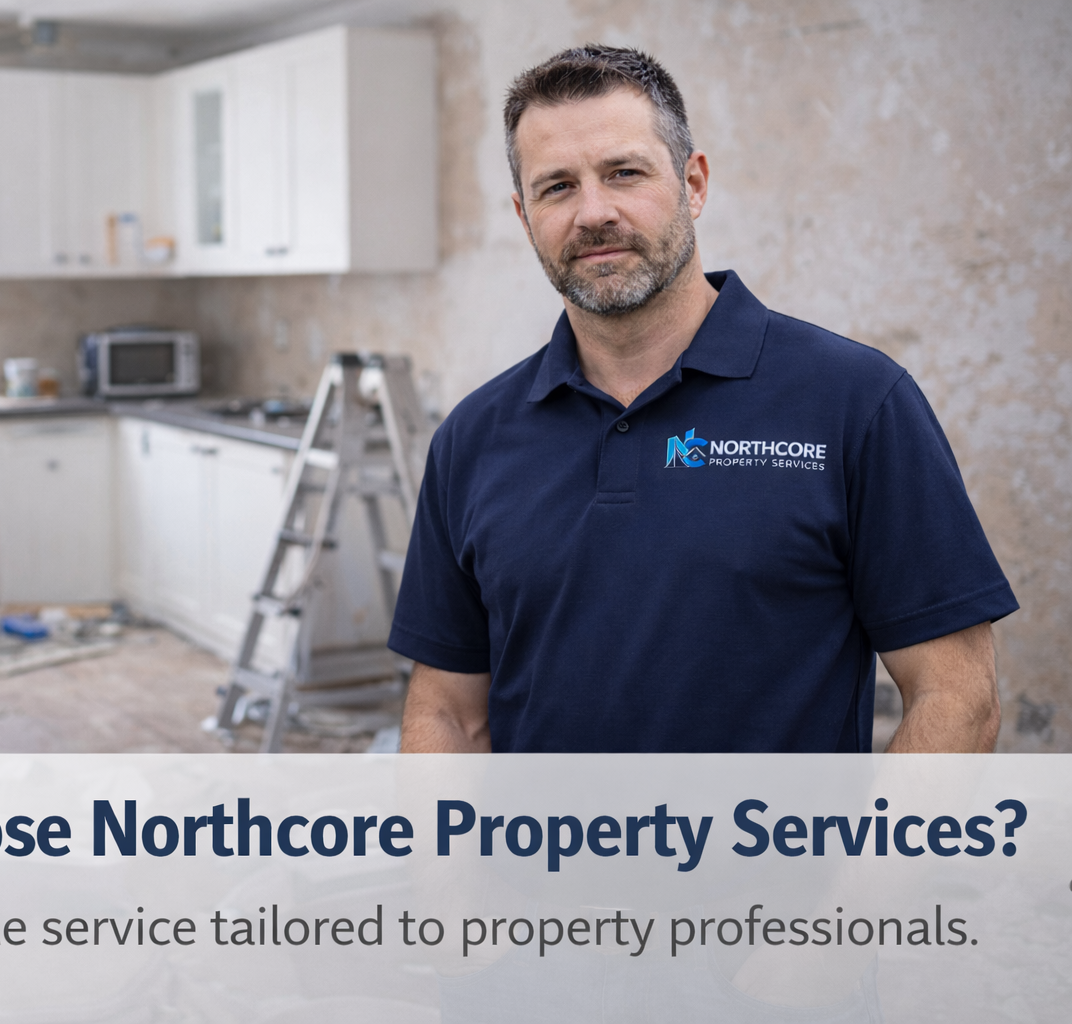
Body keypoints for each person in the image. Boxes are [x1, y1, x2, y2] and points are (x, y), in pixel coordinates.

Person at [389, 45, 1018, 754]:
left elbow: (957, 696)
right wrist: (454, 866)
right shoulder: (472, 439)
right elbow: (445, 711)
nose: (594, 212)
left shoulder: (857, 403)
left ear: (693, 183)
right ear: (524, 213)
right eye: (557, 187)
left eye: (624, 173)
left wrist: (857, 868)